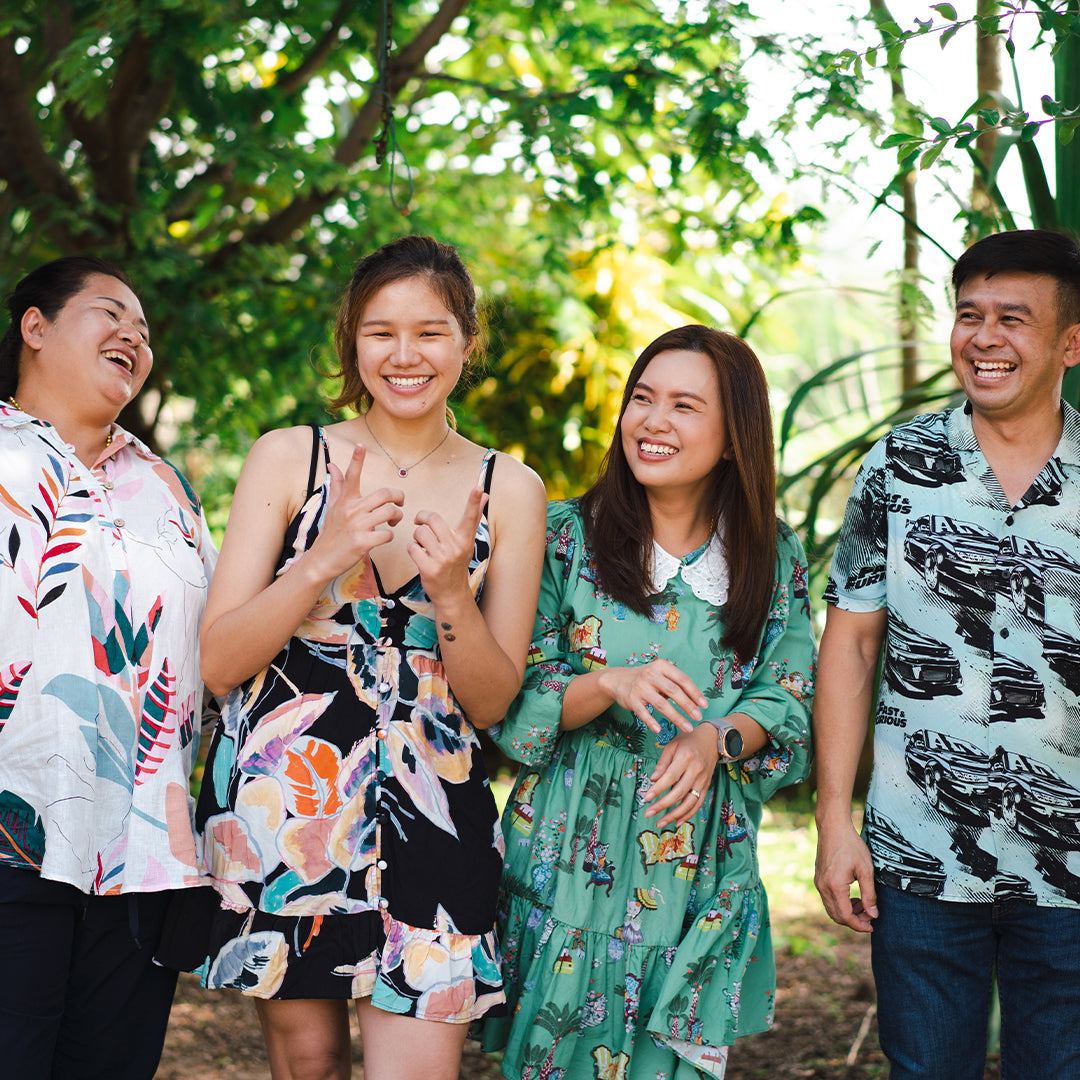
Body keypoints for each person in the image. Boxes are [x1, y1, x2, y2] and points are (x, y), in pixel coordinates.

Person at [156, 235, 547, 1080]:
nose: (405, 355)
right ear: (352, 342)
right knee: (310, 1066)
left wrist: (452, 595)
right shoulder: (287, 456)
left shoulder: (511, 489)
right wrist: (322, 560)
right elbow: (219, 662)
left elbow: (490, 705)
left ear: (467, 341)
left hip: (437, 816)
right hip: (288, 812)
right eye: (381, 333)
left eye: (430, 332)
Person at [480, 325, 816, 1079]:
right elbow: (511, 694)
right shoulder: (564, 538)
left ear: (734, 437)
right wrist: (607, 685)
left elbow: (788, 695)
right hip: (570, 857)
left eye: (684, 406)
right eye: (642, 398)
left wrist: (716, 739)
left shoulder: (772, 555)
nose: (653, 421)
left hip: (697, 863)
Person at [814, 228, 1080, 1079]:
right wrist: (833, 821)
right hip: (920, 853)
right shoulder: (899, 464)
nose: (984, 337)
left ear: (1071, 343)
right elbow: (851, 645)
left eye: (1013, 318)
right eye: (970, 315)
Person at [0, 256, 217, 1079]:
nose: (134, 335)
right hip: (12, 841)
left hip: (141, 859)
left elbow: (214, 654)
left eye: (145, 330)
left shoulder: (168, 487)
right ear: (35, 326)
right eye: (110, 312)